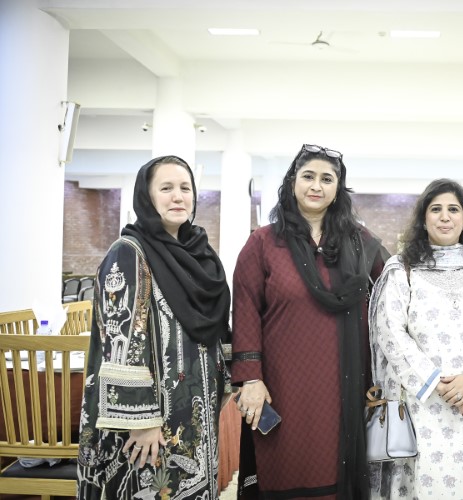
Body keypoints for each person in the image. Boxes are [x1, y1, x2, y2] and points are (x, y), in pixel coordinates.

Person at [232, 144, 388, 499]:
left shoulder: (360, 243)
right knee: (283, 468)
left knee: (336, 472)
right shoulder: (263, 243)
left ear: (338, 189)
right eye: (308, 176)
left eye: (327, 179)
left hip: (344, 387)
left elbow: (393, 294)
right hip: (281, 385)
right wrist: (251, 378)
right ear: (292, 183)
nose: (316, 185)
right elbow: (245, 309)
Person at [77, 155, 232, 498]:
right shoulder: (128, 253)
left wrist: (225, 378)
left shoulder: (200, 255)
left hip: (193, 409)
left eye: (185, 188)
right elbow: (119, 338)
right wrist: (141, 421)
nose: (178, 196)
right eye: (166, 188)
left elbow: (216, 324)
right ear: (147, 197)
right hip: (147, 421)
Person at [368, 178, 463, 499]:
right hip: (422, 405)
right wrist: (439, 384)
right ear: (423, 219)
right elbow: (390, 332)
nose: (445, 217)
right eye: (436, 209)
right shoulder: (402, 269)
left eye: (453, 210)